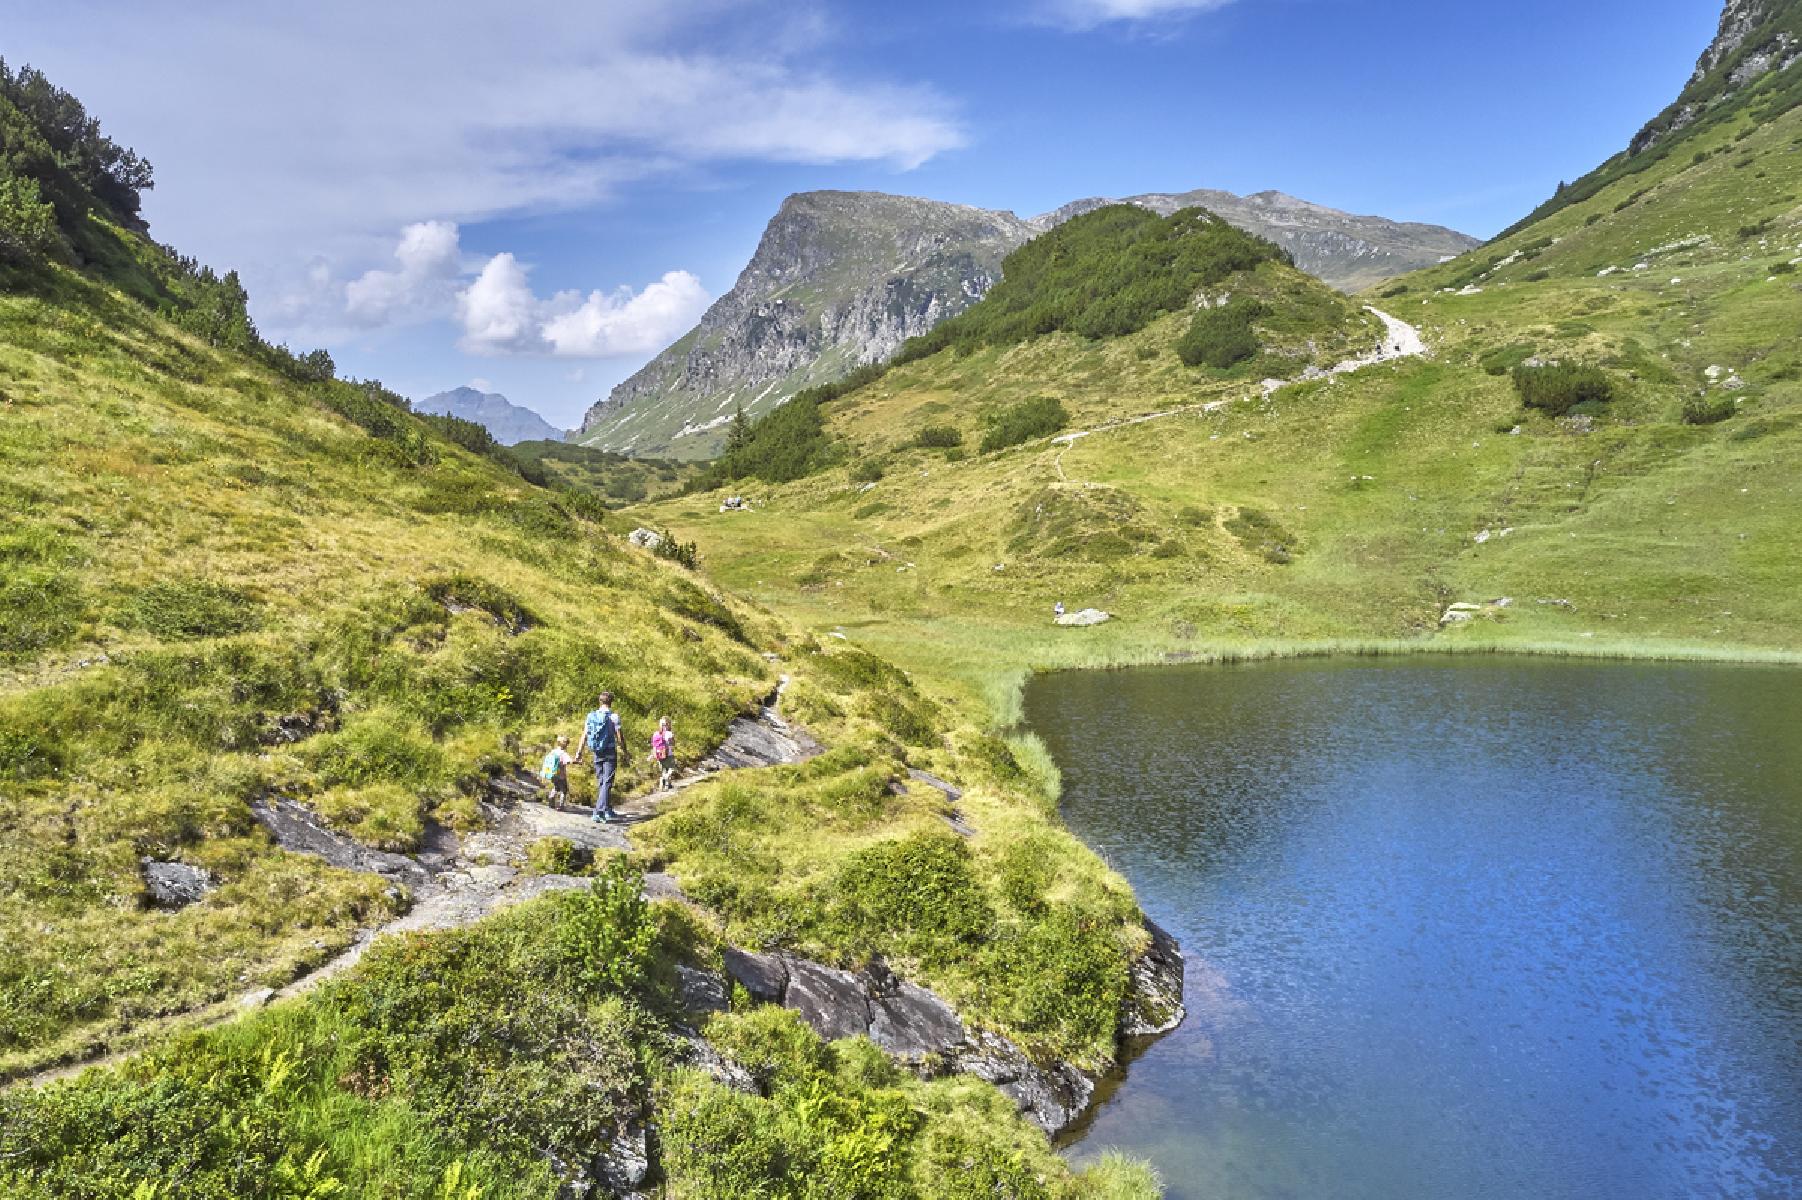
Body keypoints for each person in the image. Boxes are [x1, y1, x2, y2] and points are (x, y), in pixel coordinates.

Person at [577, 691, 623, 822]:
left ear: (600, 701)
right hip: (609, 751)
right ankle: (599, 811)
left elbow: (585, 734)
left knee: (602, 781)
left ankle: (607, 809)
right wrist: (625, 751)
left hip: (597, 751)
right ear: (611, 702)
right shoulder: (614, 717)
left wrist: (579, 752)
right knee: (607, 781)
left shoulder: (591, 716)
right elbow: (620, 737)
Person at [539, 734, 574, 810]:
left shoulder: (553, 751)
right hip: (561, 776)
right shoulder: (563, 753)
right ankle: (561, 806)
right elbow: (569, 761)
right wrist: (577, 761)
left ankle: (551, 800)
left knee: (556, 787)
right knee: (564, 790)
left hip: (553, 774)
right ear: (565, 745)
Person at [651, 717, 676, 792]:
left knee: (664, 770)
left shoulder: (655, 734)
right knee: (671, 769)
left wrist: (654, 754)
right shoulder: (669, 733)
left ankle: (666, 786)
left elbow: (654, 746)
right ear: (667, 725)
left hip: (659, 754)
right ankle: (665, 779)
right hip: (669, 754)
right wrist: (672, 738)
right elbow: (673, 743)